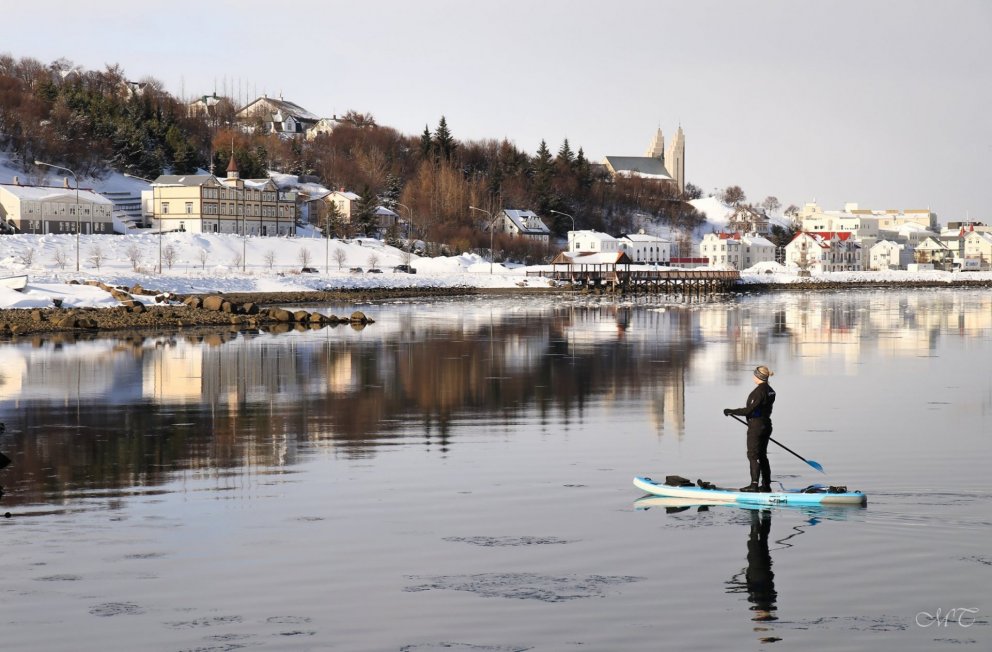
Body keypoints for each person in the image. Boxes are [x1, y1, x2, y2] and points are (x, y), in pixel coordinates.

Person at [724, 366, 776, 492]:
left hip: (756, 427)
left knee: (753, 455)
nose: (753, 377)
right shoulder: (771, 391)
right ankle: (766, 485)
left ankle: (753, 485)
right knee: (762, 455)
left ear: (759, 376)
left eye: (755, 375)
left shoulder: (758, 392)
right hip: (766, 425)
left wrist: (731, 411)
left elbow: (749, 410)